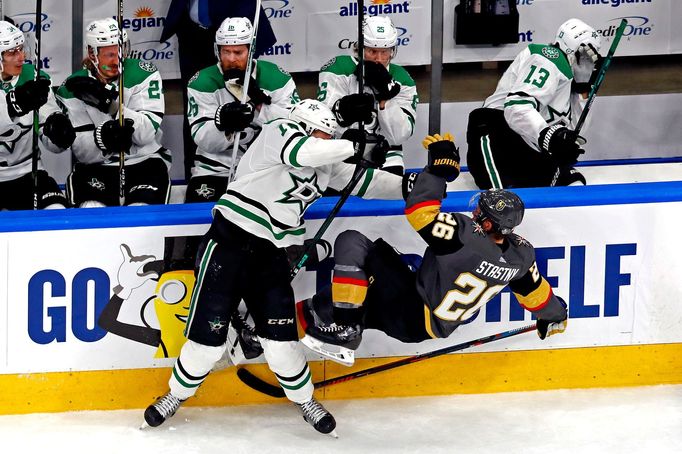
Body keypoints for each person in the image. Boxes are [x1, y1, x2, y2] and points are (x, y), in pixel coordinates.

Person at [143, 99, 404, 435]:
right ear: (308, 128)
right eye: (325, 134)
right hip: (228, 245)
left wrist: (416, 186)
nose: (328, 141)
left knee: (281, 344)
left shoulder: (325, 163)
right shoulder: (279, 131)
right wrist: (354, 145)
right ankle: (175, 395)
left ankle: (305, 400)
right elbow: (305, 153)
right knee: (207, 344)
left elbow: (368, 182)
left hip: (272, 257)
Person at [301, 134, 568, 364]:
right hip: (426, 325)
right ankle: (302, 328)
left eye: (480, 211)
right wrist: (555, 315)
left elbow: (420, 212)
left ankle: (347, 329)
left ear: (488, 223)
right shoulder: (520, 256)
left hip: (412, 308)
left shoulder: (467, 238)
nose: (474, 212)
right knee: (339, 298)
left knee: (352, 242)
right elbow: (537, 295)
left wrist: (438, 172)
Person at [466, 18, 602, 189]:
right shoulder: (548, 56)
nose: (592, 61)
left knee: (572, 183)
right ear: (576, 47)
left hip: (529, 144)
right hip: (497, 131)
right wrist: (550, 137)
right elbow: (517, 107)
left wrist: (583, 89)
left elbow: (574, 131)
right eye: (589, 54)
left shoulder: (570, 83)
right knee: (503, 202)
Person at [57, 18, 171, 207]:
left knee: (140, 213)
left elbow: (145, 134)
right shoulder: (73, 86)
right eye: (109, 54)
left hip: (145, 162)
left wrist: (114, 108)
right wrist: (104, 139)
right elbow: (82, 152)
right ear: (92, 53)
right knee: (90, 209)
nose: (116, 60)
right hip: (96, 168)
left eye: (120, 51)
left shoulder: (145, 73)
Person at [184, 16, 299, 203]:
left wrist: (260, 106)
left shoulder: (278, 78)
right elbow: (204, 140)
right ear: (217, 50)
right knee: (202, 222)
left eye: (238, 52)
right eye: (225, 52)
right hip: (215, 169)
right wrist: (224, 123)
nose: (231, 59)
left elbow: (293, 130)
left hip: (267, 168)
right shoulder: (201, 82)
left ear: (251, 50)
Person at [160, 0, 276, 181]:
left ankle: (251, 173)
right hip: (192, 33)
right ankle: (197, 178)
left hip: (238, 26)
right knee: (196, 107)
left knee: (245, 98)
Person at [317, 15, 418, 176]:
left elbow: (399, 136)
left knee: (390, 195)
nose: (378, 59)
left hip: (386, 152)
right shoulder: (338, 68)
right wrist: (345, 109)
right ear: (360, 48)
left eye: (384, 52)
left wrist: (385, 99)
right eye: (372, 51)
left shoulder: (403, 79)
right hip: (342, 149)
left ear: (392, 51)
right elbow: (322, 123)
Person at [0, 20, 74, 210]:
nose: (21, 57)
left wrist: (57, 132)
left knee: (57, 210)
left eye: (21, 49)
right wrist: (12, 105)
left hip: (29, 172)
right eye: (12, 52)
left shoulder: (32, 76)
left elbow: (46, 125)